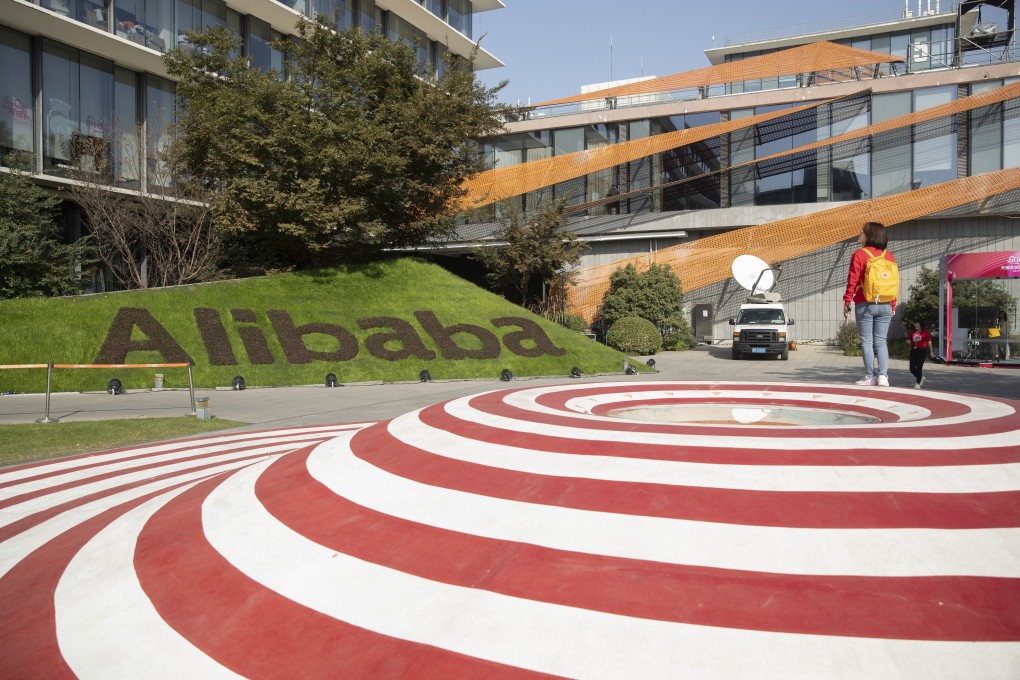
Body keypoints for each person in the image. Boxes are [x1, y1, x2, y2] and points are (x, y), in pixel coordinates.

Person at [843, 222, 897, 386]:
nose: (859, 233)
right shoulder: (889, 256)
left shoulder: (859, 254)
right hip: (886, 303)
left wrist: (847, 302)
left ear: (870, 235)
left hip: (865, 303)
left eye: (863, 231)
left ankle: (869, 376)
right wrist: (893, 305)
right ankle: (883, 376)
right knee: (881, 341)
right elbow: (893, 282)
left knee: (866, 341)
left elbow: (852, 281)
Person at [907, 321, 934, 388]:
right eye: (915, 323)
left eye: (917, 324)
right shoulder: (913, 332)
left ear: (920, 325)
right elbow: (909, 340)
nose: (915, 325)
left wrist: (931, 352)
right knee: (912, 368)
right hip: (913, 351)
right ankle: (921, 377)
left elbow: (929, 342)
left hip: (922, 351)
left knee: (919, 366)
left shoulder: (925, 332)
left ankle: (918, 383)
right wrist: (909, 341)